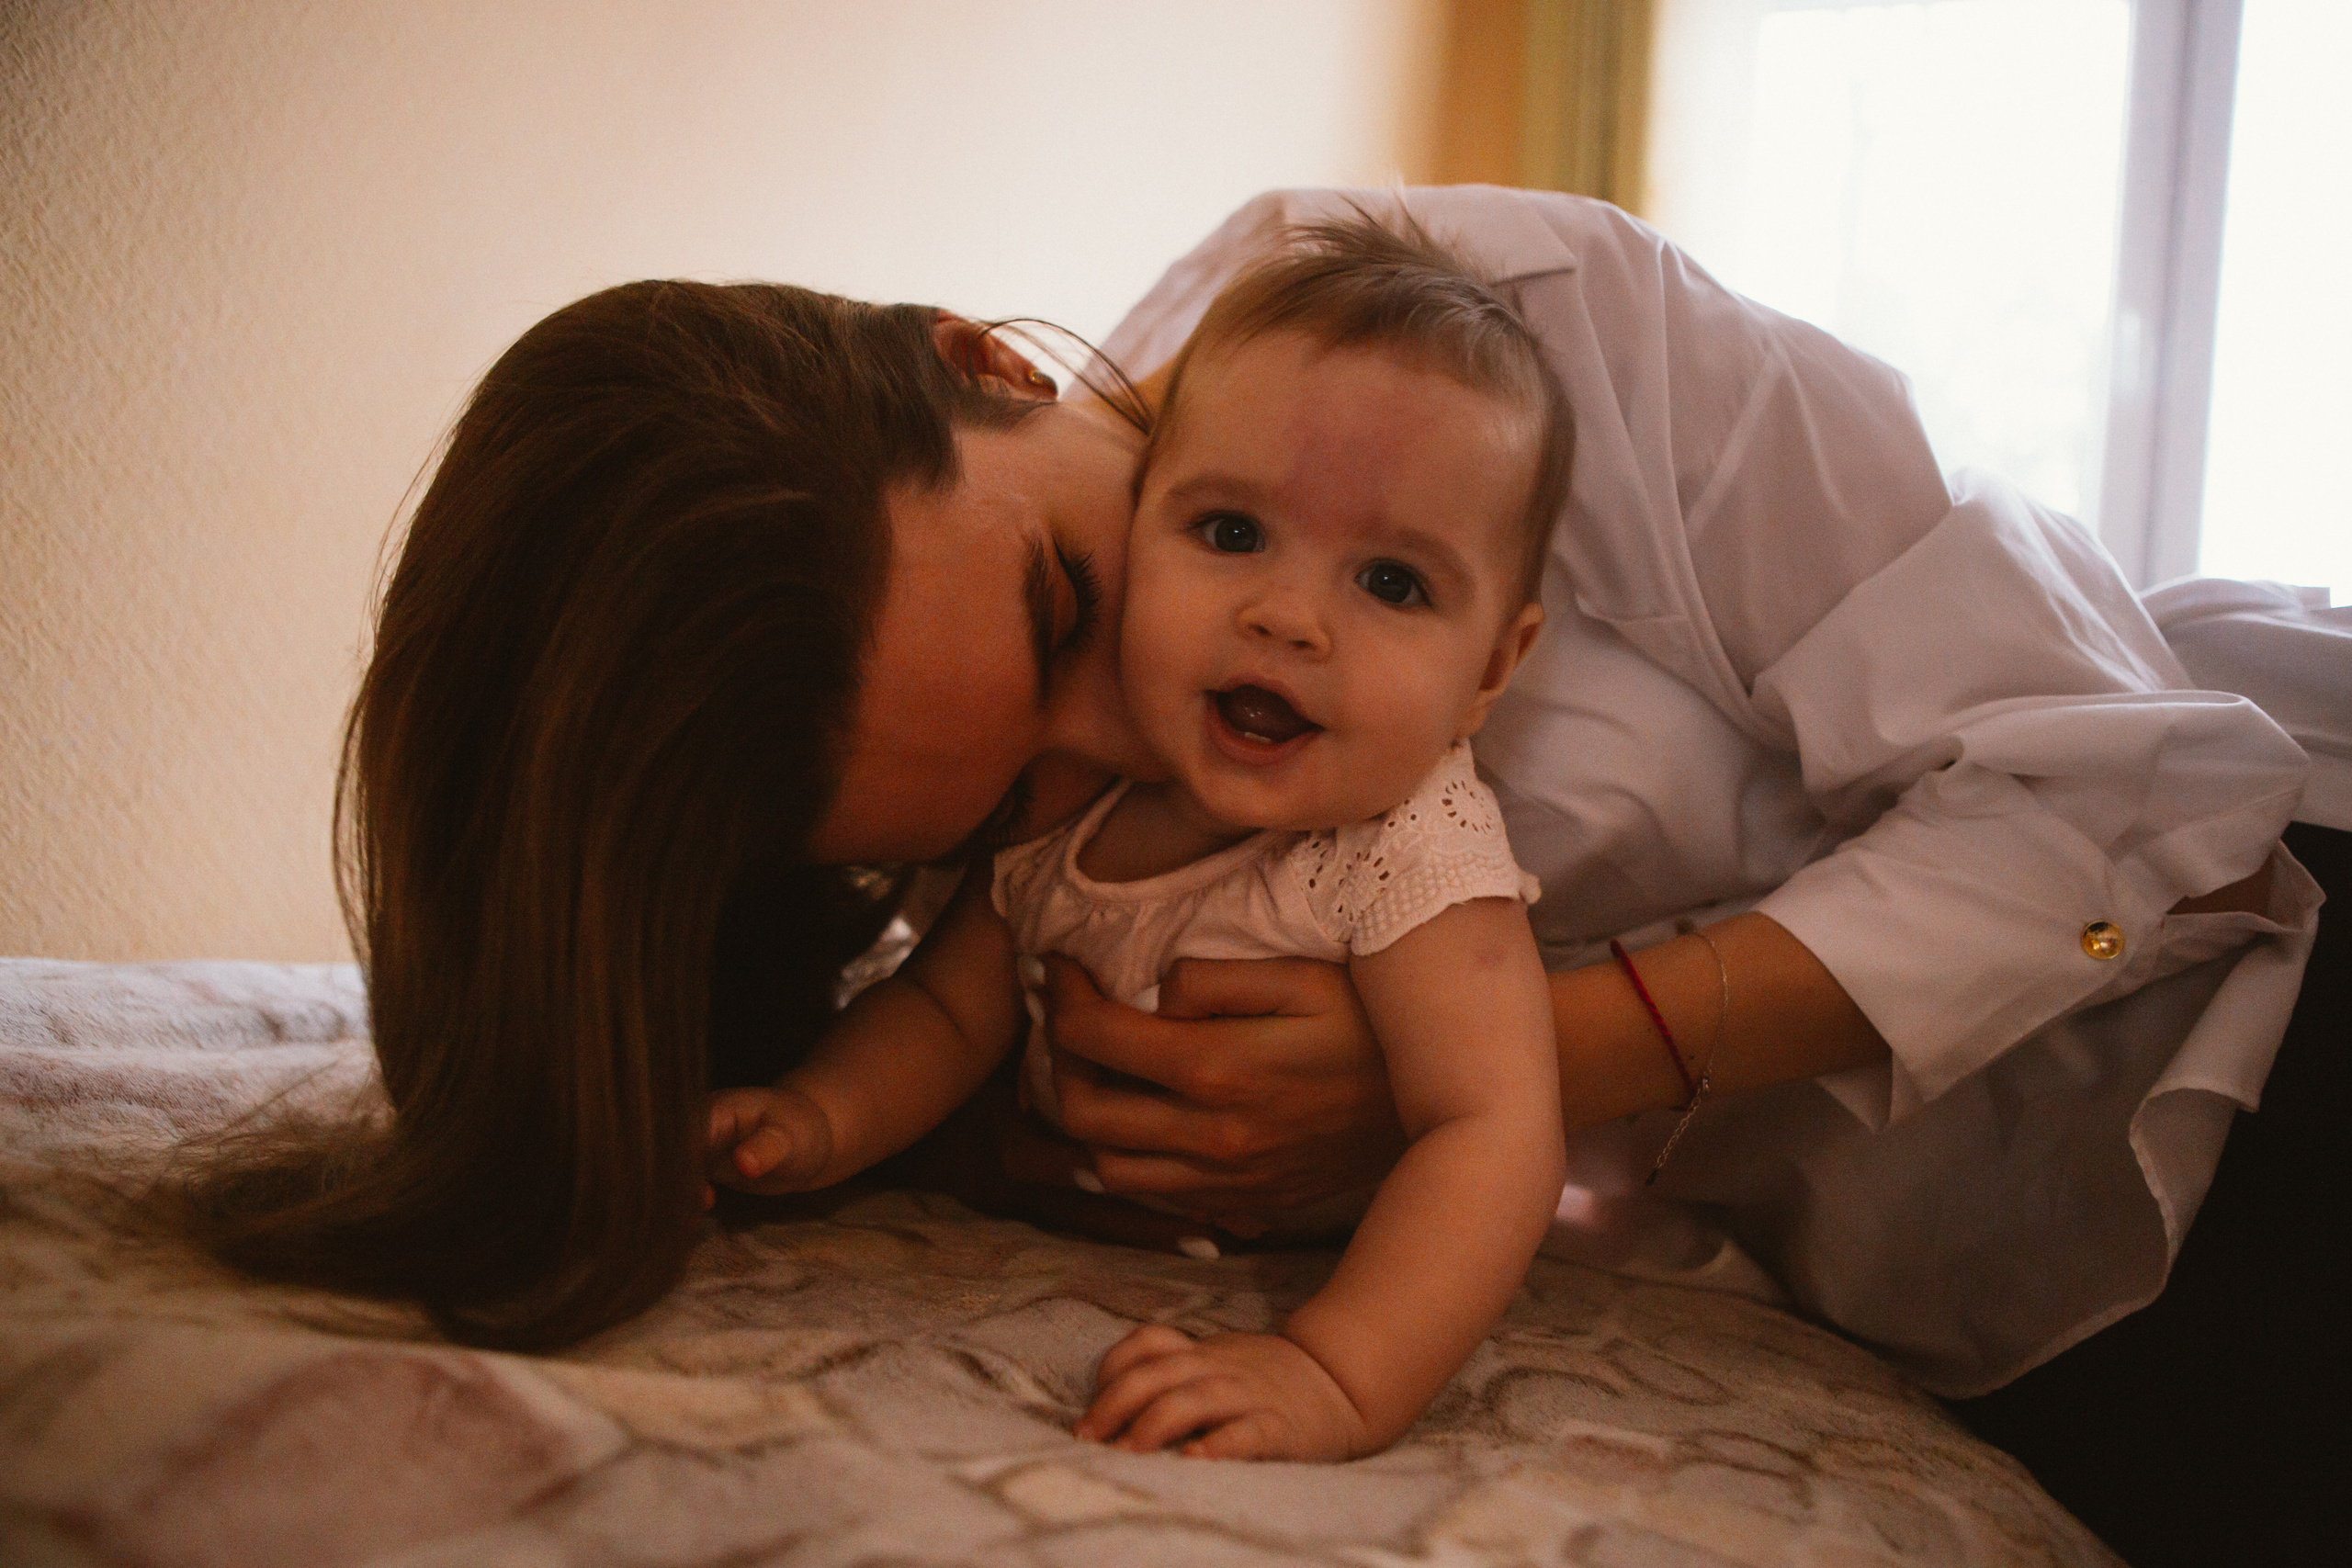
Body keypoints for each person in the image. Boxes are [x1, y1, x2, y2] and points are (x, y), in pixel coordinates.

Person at [178, 186, 2321, 1558]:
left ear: (992, 365)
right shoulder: (1025, 820)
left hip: (2250, 1005)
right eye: (979, 801)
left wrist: (1478, 1069)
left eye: (1051, 609)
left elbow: (2130, 803)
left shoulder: (1500, 334)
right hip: (1966, 1303)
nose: (1113, 739)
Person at [702, 216, 1571, 1461]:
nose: (1287, 618)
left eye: (1391, 584)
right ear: (1147, 503)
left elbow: (1491, 1132)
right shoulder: (1077, 787)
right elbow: (950, 1012)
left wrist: (1330, 1372)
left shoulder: (1408, 845)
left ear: (1491, 669)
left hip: (1318, 1274)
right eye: (1229, 535)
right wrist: (819, 1116)